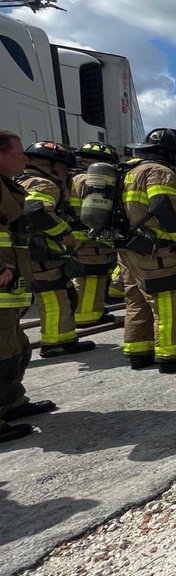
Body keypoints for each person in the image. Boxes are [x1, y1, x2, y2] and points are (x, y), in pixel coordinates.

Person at [119, 128, 176, 373]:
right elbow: (162, 206)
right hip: (155, 252)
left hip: (129, 250)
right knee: (168, 303)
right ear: (173, 155)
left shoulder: (129, 172)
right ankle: (172, 356)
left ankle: (139, 353)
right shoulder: (160, 172)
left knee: (136, 301)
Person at [0, 130, 56, 443]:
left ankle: (11, 403)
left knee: (14, 346)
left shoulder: (8, 184)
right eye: (18, 152)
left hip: (11, 284)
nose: (24, 159)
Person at [17, 141, 95, 358]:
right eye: (62, 166)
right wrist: (64, 234)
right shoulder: (43, 184)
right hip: (40, 254)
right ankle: (57, 342)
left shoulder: (17, 180)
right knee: (56, 297)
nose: (65, 172)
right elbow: (35, 210)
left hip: (21, 253)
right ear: (50, 165)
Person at [68, 141, 122, 328]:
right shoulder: (94, 180)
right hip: (90, 238)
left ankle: (91, 309)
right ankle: (86, 315)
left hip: (73, 235)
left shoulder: (71, 178)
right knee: (91, 277)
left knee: (83, 277)